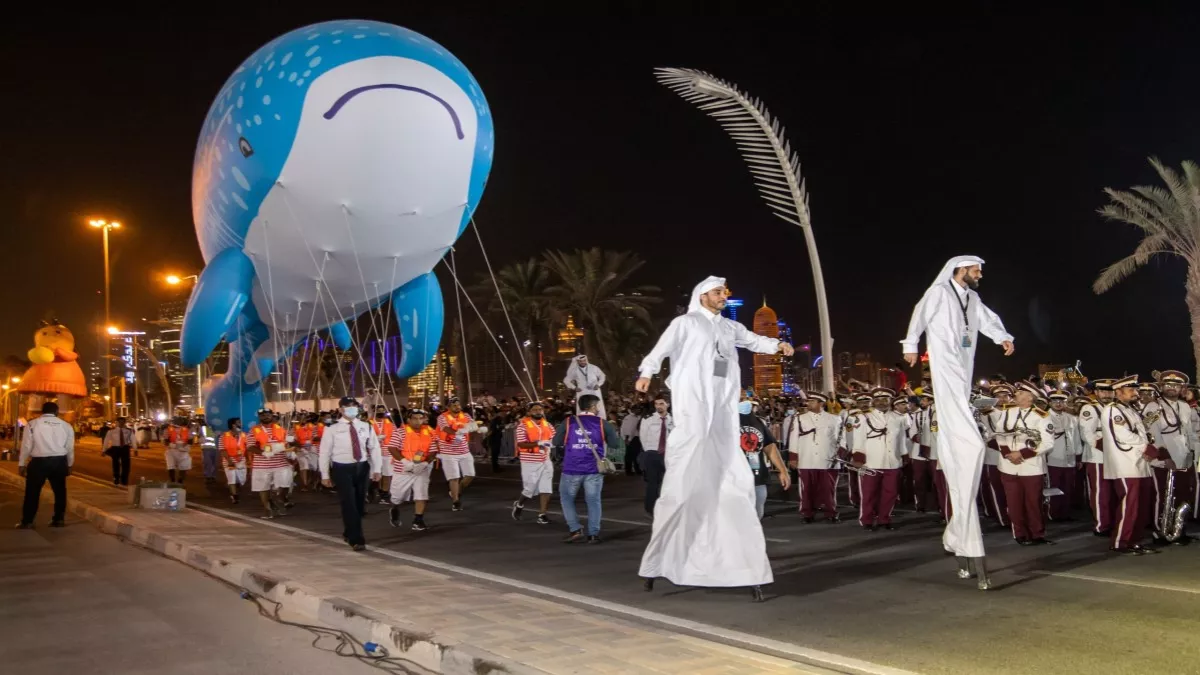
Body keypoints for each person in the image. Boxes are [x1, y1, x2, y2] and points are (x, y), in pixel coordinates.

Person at [635, 276, 793, 601]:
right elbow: (660, 350)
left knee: (728, 475)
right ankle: (662, 559)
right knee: (684, 473)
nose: (724, 296)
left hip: (722, 407)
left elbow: (753, 340)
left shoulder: (729, 328)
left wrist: (777, 345)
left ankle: (742, 564)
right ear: (703, 295)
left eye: (725, 292)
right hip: (694, 405)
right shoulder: (686, 323)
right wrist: (646, 372)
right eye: (719, 292)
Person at [901, 255, 1014, 589]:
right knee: (956, 406)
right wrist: (911, 345)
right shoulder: (938, 293)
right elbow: (918, 316)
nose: (980, 274)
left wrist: (1002, 337)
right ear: (960, 270)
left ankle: (958, 537)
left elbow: (987, 320)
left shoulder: (973, 298)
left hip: (964, 361)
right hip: (945, 358)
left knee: (961, 397)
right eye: (976, 270)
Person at [1101, 375, 1161, 555]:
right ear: (1118, 392)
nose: (1136, 393)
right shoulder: (1113, 410)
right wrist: (1146, 447)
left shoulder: (1131, 410)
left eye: (1135, 390)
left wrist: (1146, 448)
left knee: (1141, 505)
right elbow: (1122, 434)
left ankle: (1135, 540)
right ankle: (1120, 542)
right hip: (1125, 464)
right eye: (1131, 390)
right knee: (1130, 505)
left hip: (1139, 464)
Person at [992, 381, 1055, 545]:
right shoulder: (1007, 412)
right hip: (1008, 464)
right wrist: (1007, 453)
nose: (1015, 395)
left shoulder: (1042, 415)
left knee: (1033, 502)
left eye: (1019, 394)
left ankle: (1037, 534)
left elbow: (1048, 442)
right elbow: (999, 435)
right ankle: (1019, 534)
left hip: (1031, 465)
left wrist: (1021, 454)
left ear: (1030, 397)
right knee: (1013, 502)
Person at [553, 394, 620, 543]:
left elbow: (556, 441)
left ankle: (575, 529)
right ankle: (593, 534)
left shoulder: (569, 421)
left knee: (567, 499)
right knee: (594, 501)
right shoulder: (603, 423)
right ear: (593, 406)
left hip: (572, 468)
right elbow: (615, 444)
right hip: (594, 469)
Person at [319, 396, 382, 551]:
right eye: (348, 406)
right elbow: (324, 452)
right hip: (342, 468)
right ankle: (356, 539)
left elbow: (374, 448)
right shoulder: (331, 428)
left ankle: (349, 531)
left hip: (362, 467)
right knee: (349, 504)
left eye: (354, 406)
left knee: (360, 505)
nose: (352, 409)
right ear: (341, 409)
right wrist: (325, 474)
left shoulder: (365, 426)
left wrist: (377, 469)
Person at [1146, 370, 1196, 543]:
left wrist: (1194, 452)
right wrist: (1164, 456)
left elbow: (1189, 433)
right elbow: (1152, 434)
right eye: (1168, 385)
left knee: (1182, 495)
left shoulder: (1184, 406)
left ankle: (1178, 531)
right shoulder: (1154, 406)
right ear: (1161, 387)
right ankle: (1159, 532)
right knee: (1162, 496)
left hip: (1183, 457)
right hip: (1164, 460)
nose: (1172, 388)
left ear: (1181, 388)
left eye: (1176, 385)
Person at [852, 388, 909, 531]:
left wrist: (904, 455)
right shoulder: (864, 418)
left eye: (885, 399)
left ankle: (885, 519)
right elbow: (858, 440)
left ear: (890, 401)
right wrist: (858, 458)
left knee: (890, 493)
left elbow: (901, 439)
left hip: (892, 461)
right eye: (878, 400)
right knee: (869, 493)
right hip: (871, 461)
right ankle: (867, 520)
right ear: (873, 401)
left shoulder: (898, 418)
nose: (882, 402)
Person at [16, 401, 74, 529]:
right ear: (57, 412)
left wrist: (22, 464)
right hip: (59, 462)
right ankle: (58, 519)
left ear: (42, 411)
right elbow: (70, 448)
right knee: (60, 492)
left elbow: (26, 446)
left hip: (38, 463)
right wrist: (70, 464)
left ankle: (28, 521)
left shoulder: (32, 424)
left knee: (32, 492)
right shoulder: (66, 426)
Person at [788, 392, 841, 523]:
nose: (808, 403)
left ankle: (831, 513)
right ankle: (807, 513)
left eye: (812, 401)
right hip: (806, 458)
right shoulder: (800, 418)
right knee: (806, 489)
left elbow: (840, 438)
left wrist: (839, 454)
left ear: (821, 403)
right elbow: (793, 438)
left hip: (827, 458)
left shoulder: (834, 419)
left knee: (828, 489)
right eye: (808, 401)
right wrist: (793, 457)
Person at [736, 396, 790, 520]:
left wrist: (783, 470)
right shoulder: (724, 419)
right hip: (735, 480)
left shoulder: (758, 421)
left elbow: (769, 446)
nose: (744, 398)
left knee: (756, 517)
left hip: (758, 478)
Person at [386, 408, 438, 532]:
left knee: (422, 494)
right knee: (397, 497)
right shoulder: (400, 432)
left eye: (421, 418)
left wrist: (425, 463)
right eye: (414, 418)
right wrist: (405, 462)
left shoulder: (429, 432)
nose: (418, 421)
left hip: (421, 469)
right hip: (403, 470)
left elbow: (433, 451)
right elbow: (392, 448)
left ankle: (418, 520)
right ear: (408, 419)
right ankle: (395, 508)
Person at [1079, 381, 1115, 536]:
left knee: (1113, 493)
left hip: (1115, 457)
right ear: (1097, 392)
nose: (1106, 395)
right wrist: (1106, 448)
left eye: (1109, 392)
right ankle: (1102, 525)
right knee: (1101, 493)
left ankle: (1112, 522)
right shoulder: (1090, 408)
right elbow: (1087, 434)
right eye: (1103, 391)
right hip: (1098, 456)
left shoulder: (1115, 408)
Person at [511, 401, 556, 525]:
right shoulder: (522, 426)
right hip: (529, 461)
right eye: (535, 410)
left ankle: (542, 515)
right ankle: (519, 504)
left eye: (540, 409)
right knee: (529, 489)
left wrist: (554, 443)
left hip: (545, 459)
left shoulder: (548, 425)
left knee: (546, 488)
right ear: (529, 412)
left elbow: (554, 437)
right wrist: (538, 443)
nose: (538, 411)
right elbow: (520, 444)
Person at [247, 408, 292, 519]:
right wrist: (263, 453)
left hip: (280, 462)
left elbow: (289, 444)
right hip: (262, 464)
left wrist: (292, 441)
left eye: (268, 414)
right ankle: (267, 509)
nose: (265, 416)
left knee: (285, 484)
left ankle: (279, 499)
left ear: (272, 416)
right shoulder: (254, 430)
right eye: (262, 415)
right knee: (263, 487)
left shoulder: (281, 429)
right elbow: (250, 447)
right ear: (259, 417)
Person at [436, 397, 476, 511]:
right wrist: (458, 432)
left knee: (470, 475)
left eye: (458, 405)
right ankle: (456, 502)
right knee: (454, 478)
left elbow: (473, 425)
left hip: (464, 451)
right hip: (448, 452)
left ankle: (456, 492)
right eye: (454, 405)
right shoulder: (442, 417)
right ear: (448, 407)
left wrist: (476, 427)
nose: (457, 407)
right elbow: (446, 429)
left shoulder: (466, 416)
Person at [637, 395, 673, 516]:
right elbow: (643, 437)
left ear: (667, 404)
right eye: (656, 404)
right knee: (653, 483)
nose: (658, 406)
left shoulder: (673, 419)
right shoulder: (648, 419)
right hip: (652, 454)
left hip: (669, 454)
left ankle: (668, 507)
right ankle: (651, 508)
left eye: (661, 403)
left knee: (669, 482)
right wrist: (649, 452)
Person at [370, 406, 396, 505]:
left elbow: (395, 436)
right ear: (374, 412)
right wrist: (375, 438)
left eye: (383, 411)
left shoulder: (390, 424)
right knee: (374, 473)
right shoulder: (369, 423)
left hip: (387, 452)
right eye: (378, 411)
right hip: (374, 452)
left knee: (387, 473)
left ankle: (385, 493)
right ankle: (375, 491)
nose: (381, 413)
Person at [219, 417, 248, 504]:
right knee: (231, 479)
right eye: (239, 422)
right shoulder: (224, 436)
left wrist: (249, 460)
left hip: (241, 460)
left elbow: (247, 448)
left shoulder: (244, 435)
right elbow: (222, 449)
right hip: (229, 460)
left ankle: (235, 489)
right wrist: (229, 460)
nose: (241, 424)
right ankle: (234, 496)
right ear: (233, 425)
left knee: (241, 480)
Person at [102, 416, 134, 486]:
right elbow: (106, 440)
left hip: (125, 448)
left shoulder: (129, 431)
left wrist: (135, 449)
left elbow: (133, 439)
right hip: (115, 448)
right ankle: (116, 478)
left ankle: (124, 480)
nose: (121, 424)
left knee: (126, 465)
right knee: (115, 464)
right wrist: (104, 450)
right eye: (120, 422)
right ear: (117, 422)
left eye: (123, 422)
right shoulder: (111, 431)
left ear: (125, 422)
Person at [164, 416, 192, 484]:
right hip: (172, 450)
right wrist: (171, 445)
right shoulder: (168, 430)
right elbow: (165, 440)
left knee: (184, 466)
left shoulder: (187, 430)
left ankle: (180, 481)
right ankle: (172, 481)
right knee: (171, 466)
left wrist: (188, 446)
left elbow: (190, 440)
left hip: (183, 450)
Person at [620, 404, 644, 476]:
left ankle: (634, 470)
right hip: (632, 438)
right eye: (637, 409)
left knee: (635, 454)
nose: (639, 410)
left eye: (639, 409)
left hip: (635, 437)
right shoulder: (630, 418)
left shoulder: (637, 417)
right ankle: (630, 470)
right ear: (633, 409)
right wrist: (627, 439)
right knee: (630, 455)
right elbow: (629, 429)